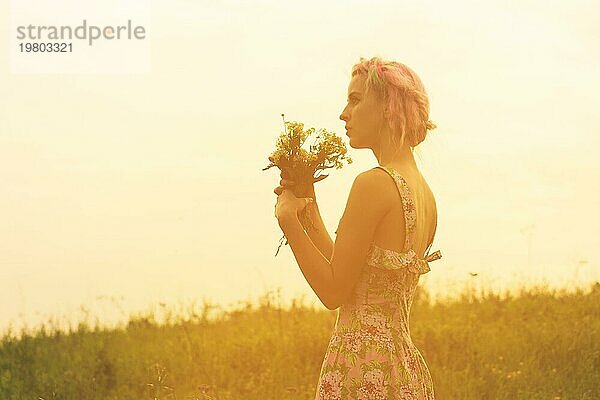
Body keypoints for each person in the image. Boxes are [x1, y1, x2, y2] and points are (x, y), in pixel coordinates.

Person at [274, 56, 442, 399]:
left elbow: (334, 292)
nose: (343, 113)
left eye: (355, 99)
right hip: (402, 369)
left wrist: (288, 220)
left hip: (361, 369)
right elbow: (355, 274)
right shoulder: (424, 194)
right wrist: (309, 205)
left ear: (387, 107)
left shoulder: (373, 183)